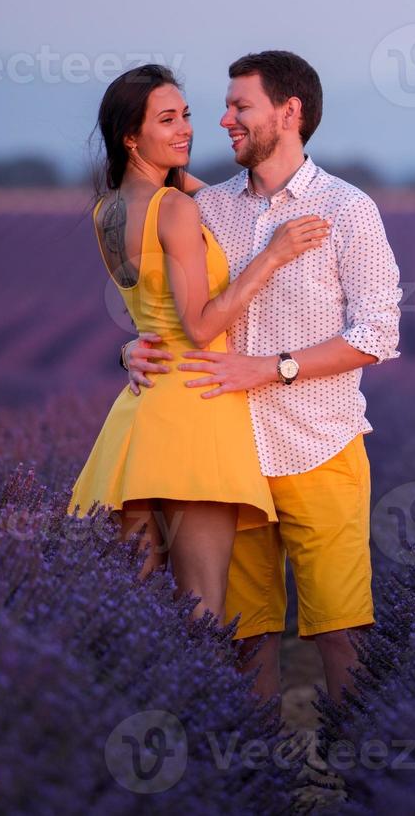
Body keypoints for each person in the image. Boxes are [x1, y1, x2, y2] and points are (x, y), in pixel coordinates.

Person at [121, 51, 402, 704]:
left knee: (340, 631)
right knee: (246, 637)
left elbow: (376, 336)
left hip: (321, 447)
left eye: (239, 106)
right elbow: (175, 309)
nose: (223, 120)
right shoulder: (208, 208)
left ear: (289, 112)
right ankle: (261, 780)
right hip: (229, 456)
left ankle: (356, 777)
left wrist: (269, 369)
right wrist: (130, 348)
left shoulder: (346, 209)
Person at [68, 63, 330, 628]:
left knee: (130, 614)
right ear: (130, 136)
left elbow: (163, 289)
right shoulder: (177, 210)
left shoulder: (106, 211)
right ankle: (207, 718)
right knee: (203, 616)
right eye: (167, 120)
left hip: (137, 419)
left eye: (185, 114)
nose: (186, 128)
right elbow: (201, 326)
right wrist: (273, 256)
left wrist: (126, 349)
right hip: (197, 410)